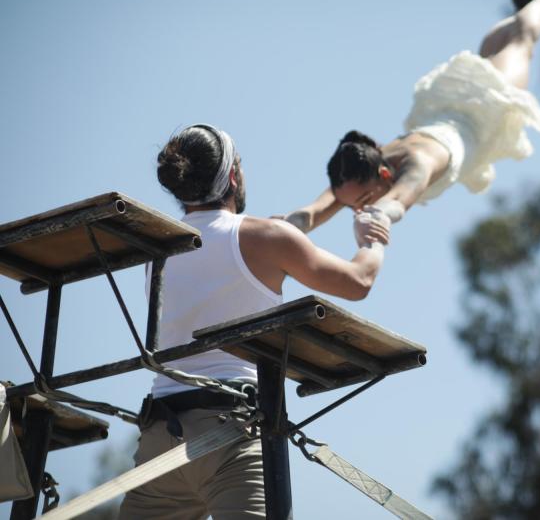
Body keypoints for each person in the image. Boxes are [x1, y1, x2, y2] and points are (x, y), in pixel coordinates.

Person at [118, 124, 390, 519]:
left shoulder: (158, 250)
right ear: (232, 175)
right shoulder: (263, 237)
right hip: (232, 428)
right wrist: (372, 240)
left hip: (161, 436)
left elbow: (228, 252)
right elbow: (357, 281)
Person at [282, 0, 540, 233]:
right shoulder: (365, 172)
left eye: (364, 201)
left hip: (483, 109)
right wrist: (287, 224)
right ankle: (528, 7)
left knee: (521, 42)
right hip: (442, 111)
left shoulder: (419, 164)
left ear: (384, 175)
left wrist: (378, 220)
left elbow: (398, 202)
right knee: (491, 47)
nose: (358, 209)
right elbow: (312, 212)